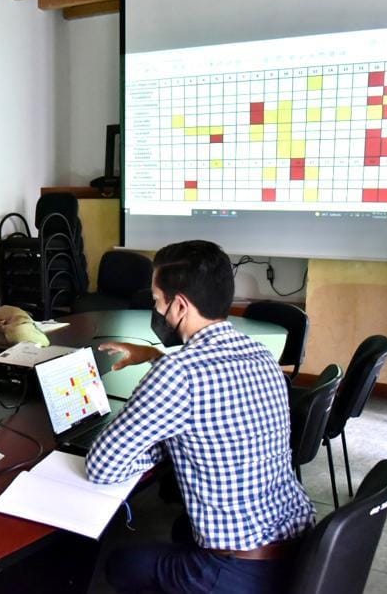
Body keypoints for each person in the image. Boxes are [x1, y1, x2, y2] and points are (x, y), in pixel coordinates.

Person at [86, 240, 315, 594]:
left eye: (156, 301)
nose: (155, 309)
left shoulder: (177, 374)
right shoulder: (261, 355)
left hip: (235, 569)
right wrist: (154, 356)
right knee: (179, 529)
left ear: (180, 305)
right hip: (298, 550)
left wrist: (162, 447)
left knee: (118, 563)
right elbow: (212, 390)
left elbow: (102, 467)